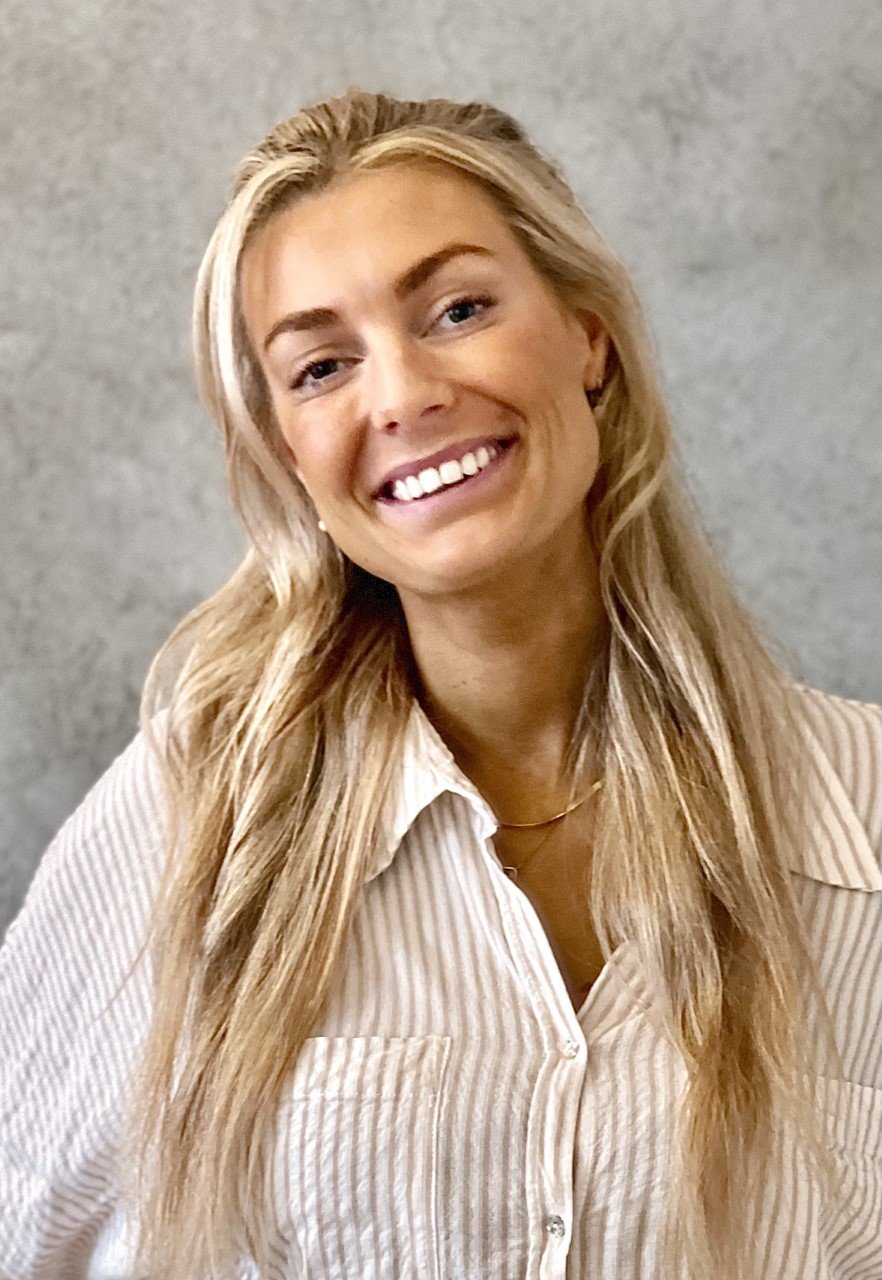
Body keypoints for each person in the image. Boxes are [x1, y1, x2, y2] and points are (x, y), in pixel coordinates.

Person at [0, 88, 879, 1280]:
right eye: (321, 366)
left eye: (458, 309)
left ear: (588, 337)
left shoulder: (862, 809)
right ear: (287, 452)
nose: (404, 394)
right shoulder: (192, 816)